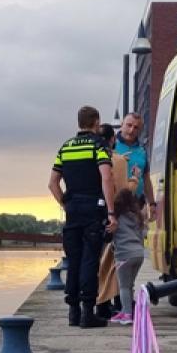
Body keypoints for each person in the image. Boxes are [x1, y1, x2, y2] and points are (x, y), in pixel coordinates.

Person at [49, 105, 117, 328]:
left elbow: (52, 183)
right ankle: (88, 313)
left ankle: (73, 313)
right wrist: (111, 212)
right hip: (93, 210)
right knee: (90, 260)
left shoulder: (65, 147)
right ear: (96, 123)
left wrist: (66, 203)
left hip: (73, 211)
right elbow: (106, 178)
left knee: (74, 261)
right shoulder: (98, 145)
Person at [109, 188, 146, 325]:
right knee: (129, 285)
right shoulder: (137, 217)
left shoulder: (116, 218)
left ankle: (127, 315)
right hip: (139, 254)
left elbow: (110, 234)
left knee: (123, 286)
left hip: (124, 254)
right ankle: (126, 310)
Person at [113, 112, 157, 219]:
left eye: (136, 127)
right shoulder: (112, 145)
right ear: (122, 124)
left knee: (137, 234)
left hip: (137, 204)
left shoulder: (141, 150)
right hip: (117, 204)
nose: (132, 130)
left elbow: (146, 178)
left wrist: (152, 203)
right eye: (129, 125)